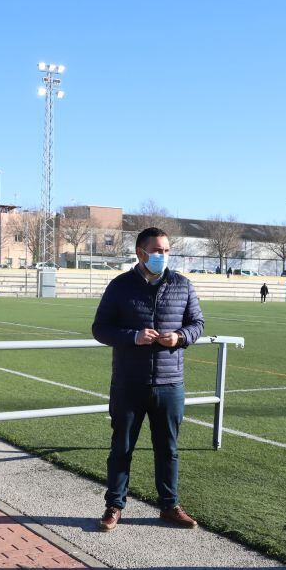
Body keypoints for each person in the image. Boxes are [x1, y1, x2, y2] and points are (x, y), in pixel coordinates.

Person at [92, 227, 205, 532]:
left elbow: (197, 323)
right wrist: (134, 336)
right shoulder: (120, 286)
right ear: (140, 252)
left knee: (168, 449)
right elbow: (100, 328)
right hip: (129, 383)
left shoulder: (182, 285)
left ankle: (169, 506)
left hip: (170, 383)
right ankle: (114, 506)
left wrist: (180, 337)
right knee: (122, 447)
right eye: (157, 251)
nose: (162, 256)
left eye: (166, 251)